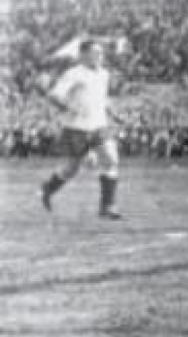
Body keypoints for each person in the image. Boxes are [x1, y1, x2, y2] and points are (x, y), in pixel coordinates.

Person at [39, 40, 125, 219]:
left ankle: (107, 207)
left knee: (111, 159)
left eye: (101, 53)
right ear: (83, 55)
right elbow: (54, 95)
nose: (100, 56)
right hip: (76, 128)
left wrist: (113, 113)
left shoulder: (104, 74)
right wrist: (68, 108)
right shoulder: (74, 74)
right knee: (72, 168)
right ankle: (48, 188)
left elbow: (101, 98)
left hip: (99, 125)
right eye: (95, 52)